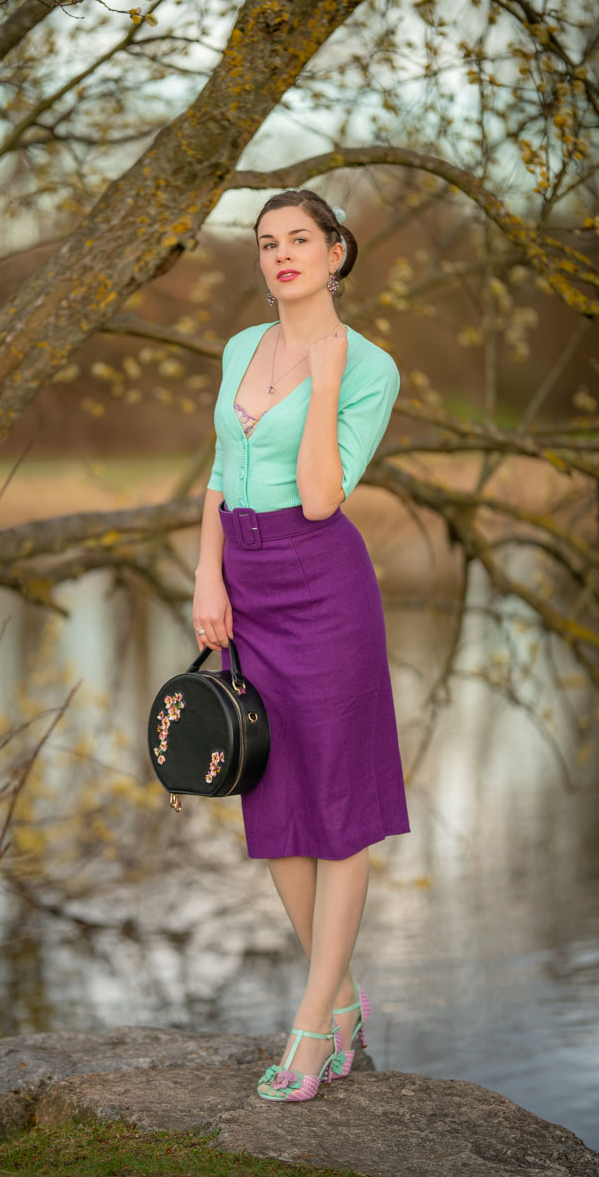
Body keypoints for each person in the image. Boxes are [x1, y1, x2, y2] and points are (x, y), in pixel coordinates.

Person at [192, 188, 411, 1103]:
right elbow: (216, 474)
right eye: (267, 242)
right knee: (270, 794)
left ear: (336, 252)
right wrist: (208, 575)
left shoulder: (371, 368)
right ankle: (345, 997)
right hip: (244, 580)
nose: (281, 255)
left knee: (339, 806)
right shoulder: (243, 346)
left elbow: (322, 495)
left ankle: (313, 1024)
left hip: (322, 584)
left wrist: (325, 384)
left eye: (299, 240)